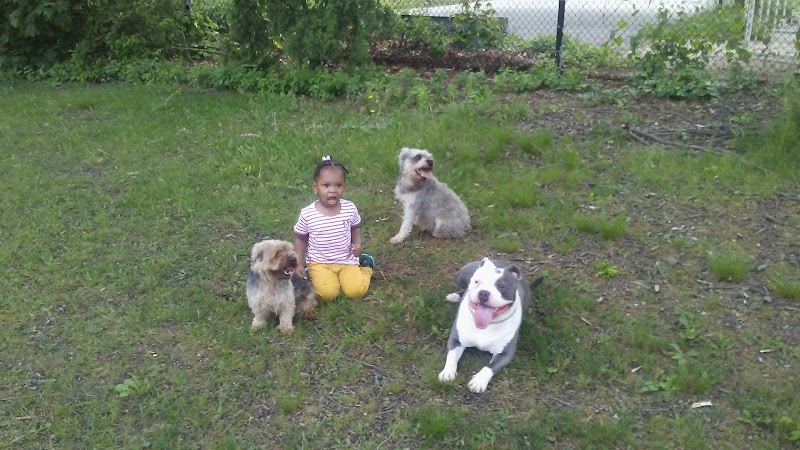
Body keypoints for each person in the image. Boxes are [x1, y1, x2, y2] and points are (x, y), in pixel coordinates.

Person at [294, 156, 374, 301]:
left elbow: (355, 227)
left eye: (338, 185)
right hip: (319, 261)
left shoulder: (349, 208)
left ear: (344, 186)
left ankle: (366, 267)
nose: (332, 191)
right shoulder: (308, 214)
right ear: (315, 187)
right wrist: (299, 262)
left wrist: (357, 244)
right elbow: (300, 237)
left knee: (355, 291)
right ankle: (312, 272)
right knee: (328, 294)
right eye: (326, 185)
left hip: (346, 259)